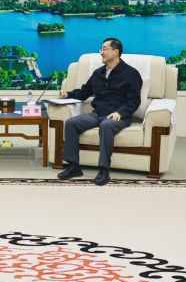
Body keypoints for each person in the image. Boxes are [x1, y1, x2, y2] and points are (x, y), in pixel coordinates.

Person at [55, 38, 143, 186]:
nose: (101, 52)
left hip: (119, 116)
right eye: (101, 49)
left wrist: (120, 113)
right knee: (71, 123)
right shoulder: (98, 73)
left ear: (116, 52)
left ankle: (103, 170)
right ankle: (73, 166)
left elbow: (134, 101)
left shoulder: (131, 74)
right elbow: (84, 92)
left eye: (105, 49)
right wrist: (68, 94)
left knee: (106, 125)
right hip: (98, 114)